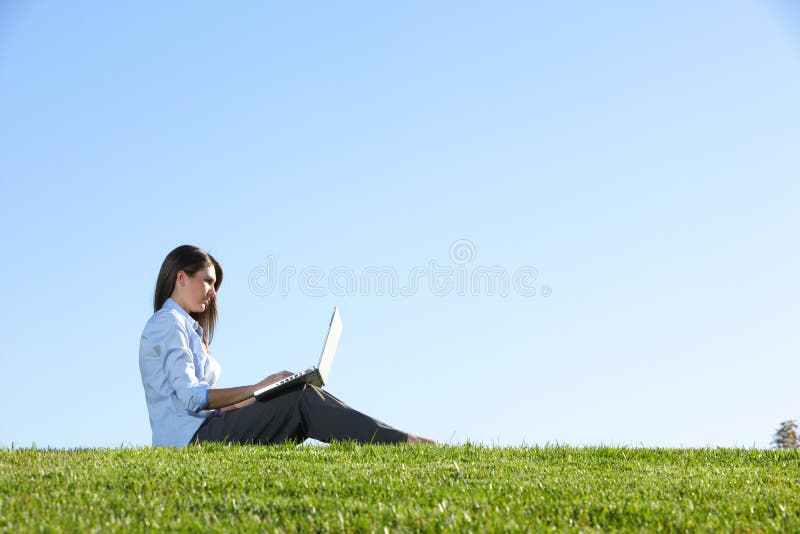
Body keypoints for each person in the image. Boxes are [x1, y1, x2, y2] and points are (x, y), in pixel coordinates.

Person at [139, 244, 435, 447]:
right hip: (192, 441)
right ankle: (400, 442)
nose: (213, 293)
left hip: (202, 431)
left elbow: (201, 408)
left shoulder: (185, 327)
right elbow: (192, 399)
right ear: (181, 278)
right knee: (301, 401)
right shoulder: (167, 323)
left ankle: (390, 437)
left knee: (297, 393)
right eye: (208, 282)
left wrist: (264, 394)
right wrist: (257, 387)